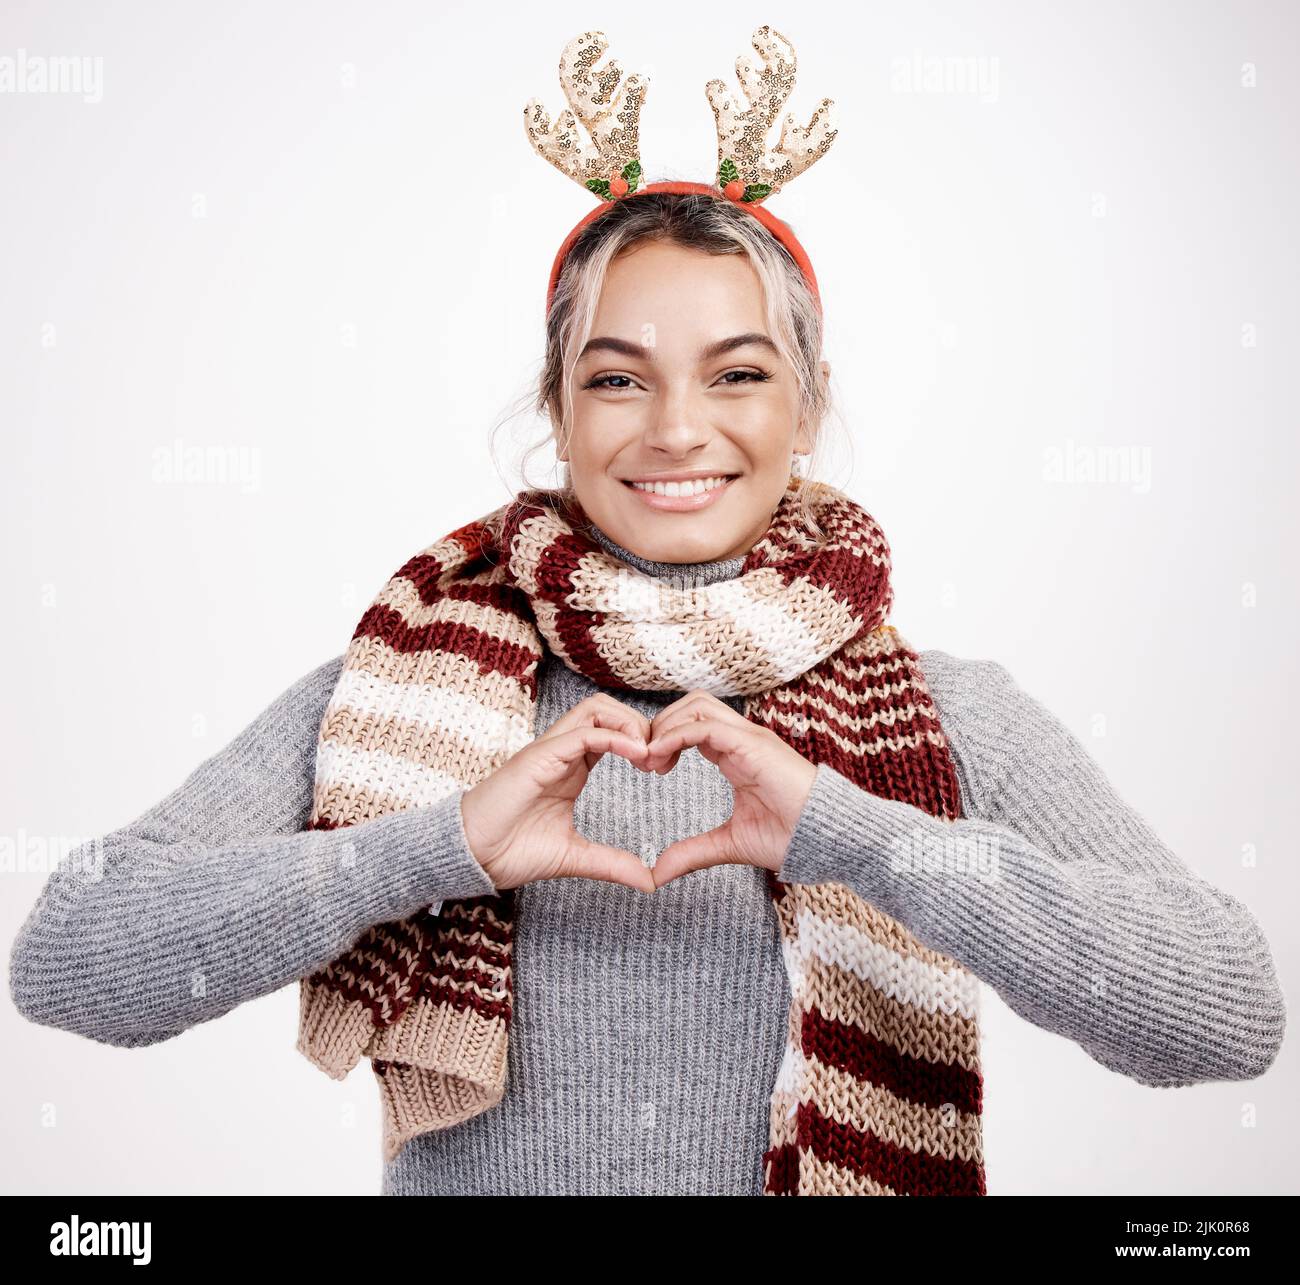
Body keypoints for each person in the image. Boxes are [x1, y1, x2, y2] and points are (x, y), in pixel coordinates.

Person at [8, 29, 1286, 1197]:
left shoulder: (950, 718)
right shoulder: (406, 680)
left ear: (807, 401)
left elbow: (1227, 1017)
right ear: (557, 411)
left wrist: (862, 837)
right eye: (618, 378)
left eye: (737, 373)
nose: (677, 428)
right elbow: (66, 958)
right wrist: (432, 844)